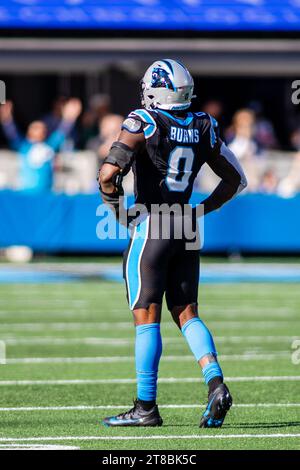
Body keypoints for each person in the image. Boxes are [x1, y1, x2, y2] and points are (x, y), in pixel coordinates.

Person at [98, 59, 247, 428]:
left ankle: (145, 407)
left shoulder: (144, 121)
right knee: (186, 312)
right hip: (186, 226)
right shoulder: (204, 125)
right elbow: (236, 180)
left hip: (152, 225)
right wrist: (201, 210)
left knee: (146, 316)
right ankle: (215, 383)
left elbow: (108, 174)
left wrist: (118, 212)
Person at [0, 98, 82, 192]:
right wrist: (6, 119)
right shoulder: (24, 146)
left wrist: (69, 117)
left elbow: (61, 132)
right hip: (26, 193)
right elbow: (12, 134)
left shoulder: (49, 146)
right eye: (36, 128)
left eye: (42, 128)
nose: (40, 130)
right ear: (29, 132)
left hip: (46, 194)